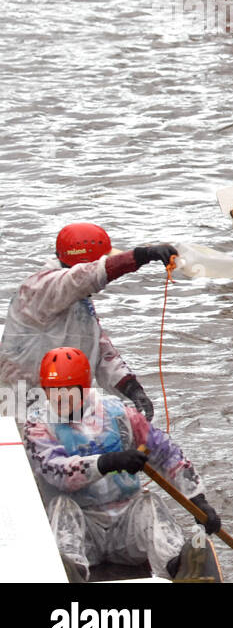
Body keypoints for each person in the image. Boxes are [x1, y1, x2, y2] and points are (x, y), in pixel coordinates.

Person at [24, 347, 220, 581]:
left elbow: (166, 452)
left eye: (68, 391)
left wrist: (197, 499)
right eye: (54, 391)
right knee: (62, 507)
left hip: (125, 527)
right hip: (83, 529)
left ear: (84, 388)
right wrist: (106, 462)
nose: (61, 398)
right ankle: (69, 571)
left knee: (149, 503)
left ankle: (178, 566)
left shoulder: (118, 413)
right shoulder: (37, 426)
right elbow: (56, 472)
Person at [0, 224, 172, 419]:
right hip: (21, 402)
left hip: (64, 401)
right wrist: (141, 256)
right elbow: (84, 277)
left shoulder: (79, 303)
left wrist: (132, 389)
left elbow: (101, 351)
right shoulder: (40, 288)